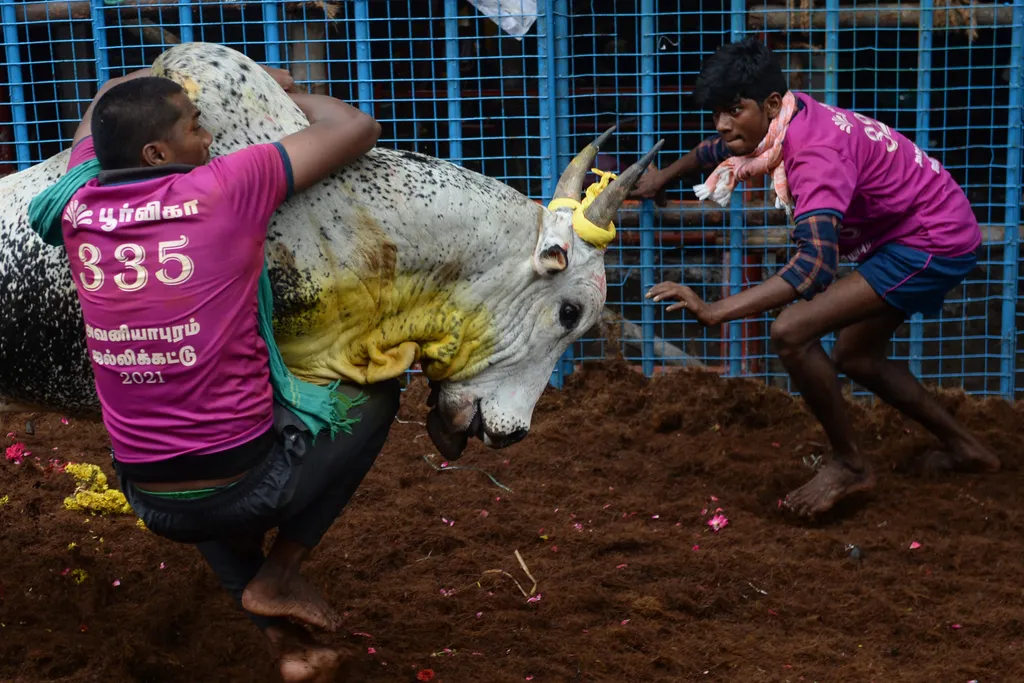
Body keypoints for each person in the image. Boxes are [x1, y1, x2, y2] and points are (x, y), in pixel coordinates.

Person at [36, 61, 395, 681]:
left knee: (188, 461)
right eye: (196, 126)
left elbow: (103, 105)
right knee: (381, 392)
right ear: (155, 153)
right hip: (248, 487)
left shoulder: (77, 205)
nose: (210, 139)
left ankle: (291, 651)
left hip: (150, 499)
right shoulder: (226, 188)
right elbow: (355, 125)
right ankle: (282, 568)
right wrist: (274, 90)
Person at [633, 38, 999, 517]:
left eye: (732, 111)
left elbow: (815, 268)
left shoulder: (814, 156)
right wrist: (665, 177)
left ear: (768, 105)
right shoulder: (787, 114)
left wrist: (716, 310)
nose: (723, 125)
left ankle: (850, 465)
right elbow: (718, 148)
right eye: (717, 112)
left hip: (932, 239)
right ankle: (968, 449)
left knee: (792, 330)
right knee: (857, 355)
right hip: (912, 229)